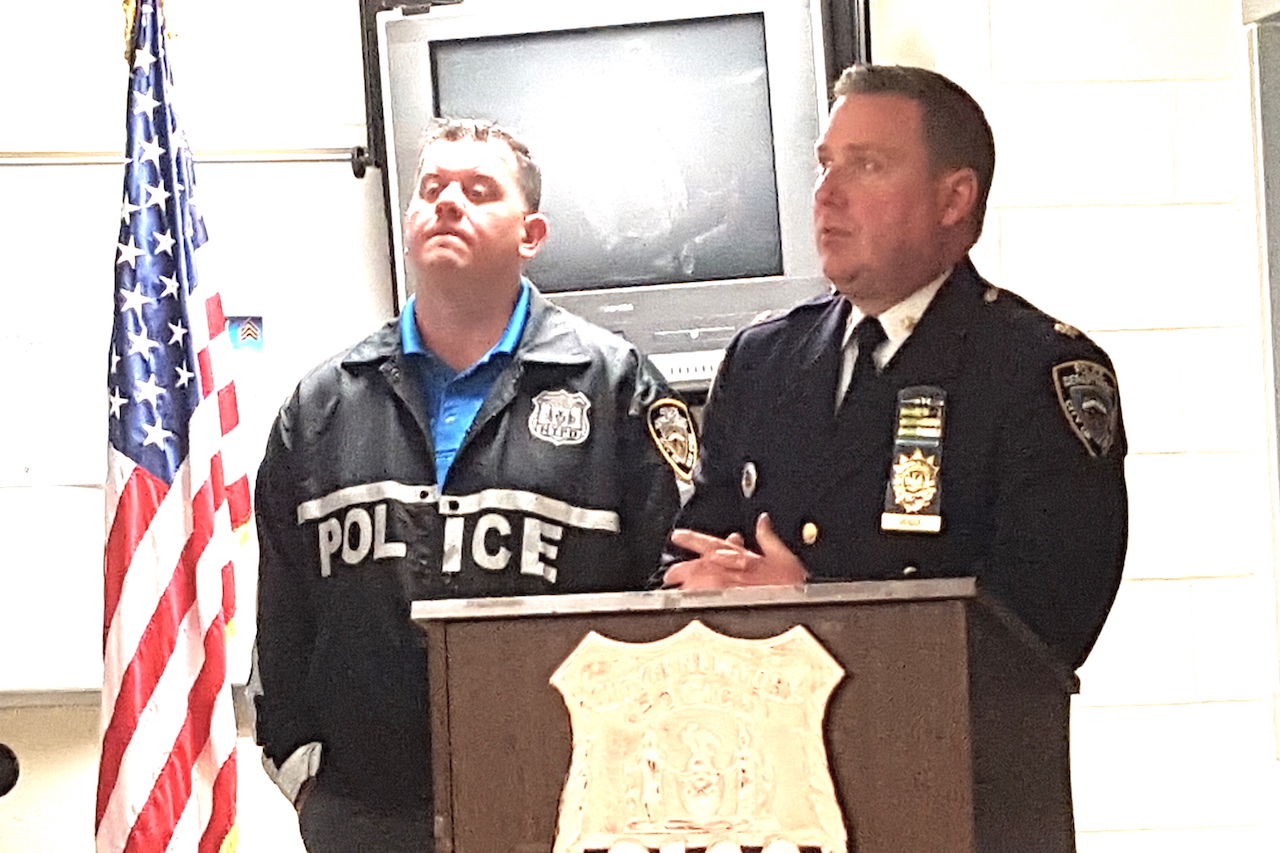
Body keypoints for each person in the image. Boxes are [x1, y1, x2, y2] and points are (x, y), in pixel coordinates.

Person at [249, 118, 693, 852]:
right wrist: (301, 770)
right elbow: (281, 614)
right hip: (366, 812)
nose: (448, 202)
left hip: (570, 804)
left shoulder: (618, 389)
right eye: (432, 189)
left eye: (479, 190)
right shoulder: (323, 404)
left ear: (532, 233)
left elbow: (673, 592)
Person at [664, 64, 1127, 672]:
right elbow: (680, 563)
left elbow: (1045, 628)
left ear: (953, 198)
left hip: (937, 750)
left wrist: (808, 610)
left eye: (868, 166)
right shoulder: (764, 360)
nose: (828, 193)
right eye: (825, 164)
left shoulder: (1034, 370)